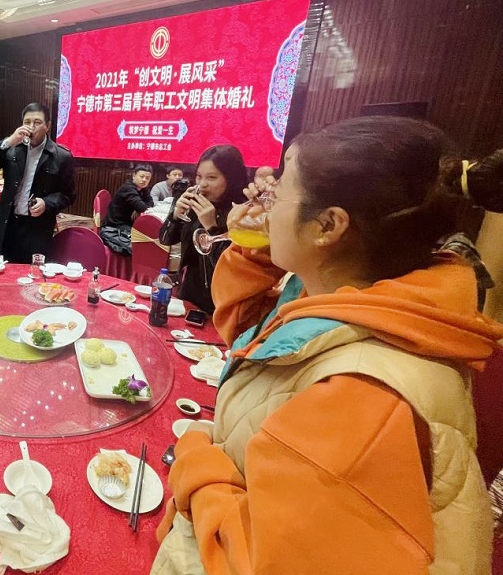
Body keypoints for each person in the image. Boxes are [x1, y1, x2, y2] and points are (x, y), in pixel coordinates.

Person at [152, 117, 503, 575]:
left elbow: (253, 561)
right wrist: (258, 245)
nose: (263, 204)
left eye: (278, 193)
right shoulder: (352, 295)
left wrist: (198, 458)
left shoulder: (362, 395)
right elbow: (251, 338)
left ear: (328, 225)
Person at [0, 102, 76, 263]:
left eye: (37, 122)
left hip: (36, 227)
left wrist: (47, 203)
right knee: (0, 271)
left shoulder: (61, 156)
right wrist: (9, 141)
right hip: (8, 224)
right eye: (27, 122)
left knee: (31, 273)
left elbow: (68, 194)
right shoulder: (13, 148)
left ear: (47, 126)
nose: (31, 127)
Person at [158, 145, 246, 314]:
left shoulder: (241, 212)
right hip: (189, 293)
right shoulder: (194, 201)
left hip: (222, 303)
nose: (202, 184)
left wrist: (212, 228)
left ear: (231, 178)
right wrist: (175, 215)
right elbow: (165, 239)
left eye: (211, 177)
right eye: (199, 176)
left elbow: (233, 268)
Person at [100, 164, 154, 255]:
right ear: (134, 175)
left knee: (147, 237)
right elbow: (143, 207)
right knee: (139, 245)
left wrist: (138, 209)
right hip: (115, 226)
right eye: (141, 176)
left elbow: (150, 203)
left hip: (127, 224)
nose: (144, 180)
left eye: (147, 178)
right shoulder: (128, 188)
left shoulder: (143, 189)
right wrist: (139, 208)